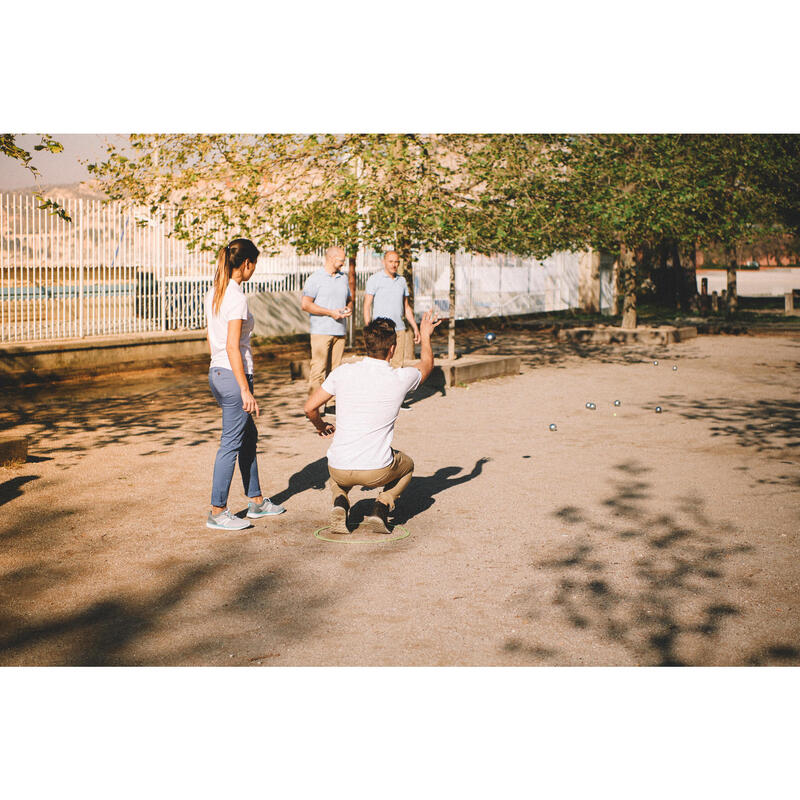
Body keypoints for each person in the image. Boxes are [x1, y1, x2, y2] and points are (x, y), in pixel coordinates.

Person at [303, 310, 442, 534]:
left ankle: (340, 501)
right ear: (392, 348)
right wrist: (425, 335)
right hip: (376, 470)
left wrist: (321, 426)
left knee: (336, 466)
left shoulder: (343, 372)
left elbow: (309, 408)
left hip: (339, 468)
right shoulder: (401, 377)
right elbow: (426, 363)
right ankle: (382, 505)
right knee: (408, 466)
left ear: (366, 345)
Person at [204, 238, 286, 530]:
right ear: (247, 264)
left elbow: (212, 340)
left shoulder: (215, 291)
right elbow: (231, 346)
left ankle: (256, 502)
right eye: (255, 265)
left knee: (248, 437)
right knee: (230, 444)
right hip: (232, 375)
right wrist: (244, 388)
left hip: (217, 373)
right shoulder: (236, 297)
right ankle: (218, 511)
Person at [300, 246, 353, 401]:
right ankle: (314, 407)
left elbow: (349, 300)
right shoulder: (315, 278)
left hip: (340, 331)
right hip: (321, 331)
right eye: (341, 260)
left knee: (335, 371)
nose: (343, 263)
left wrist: (348, 309)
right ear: (331, 258)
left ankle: (331, 404)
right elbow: (305, 304)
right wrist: (330, 312)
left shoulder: (343, 278)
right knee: (318, 370)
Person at [363, 251, 420, 368]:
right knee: (380, 365)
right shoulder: (374, 279)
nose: (394, 265)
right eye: (391, 261)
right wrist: (369, 329)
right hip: (381, 331)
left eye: (396, 262)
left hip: (399, 329)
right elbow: (366, 306)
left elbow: (406, 307)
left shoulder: (402, 281)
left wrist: (415, 328)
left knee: (397, 366)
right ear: (383, 262)